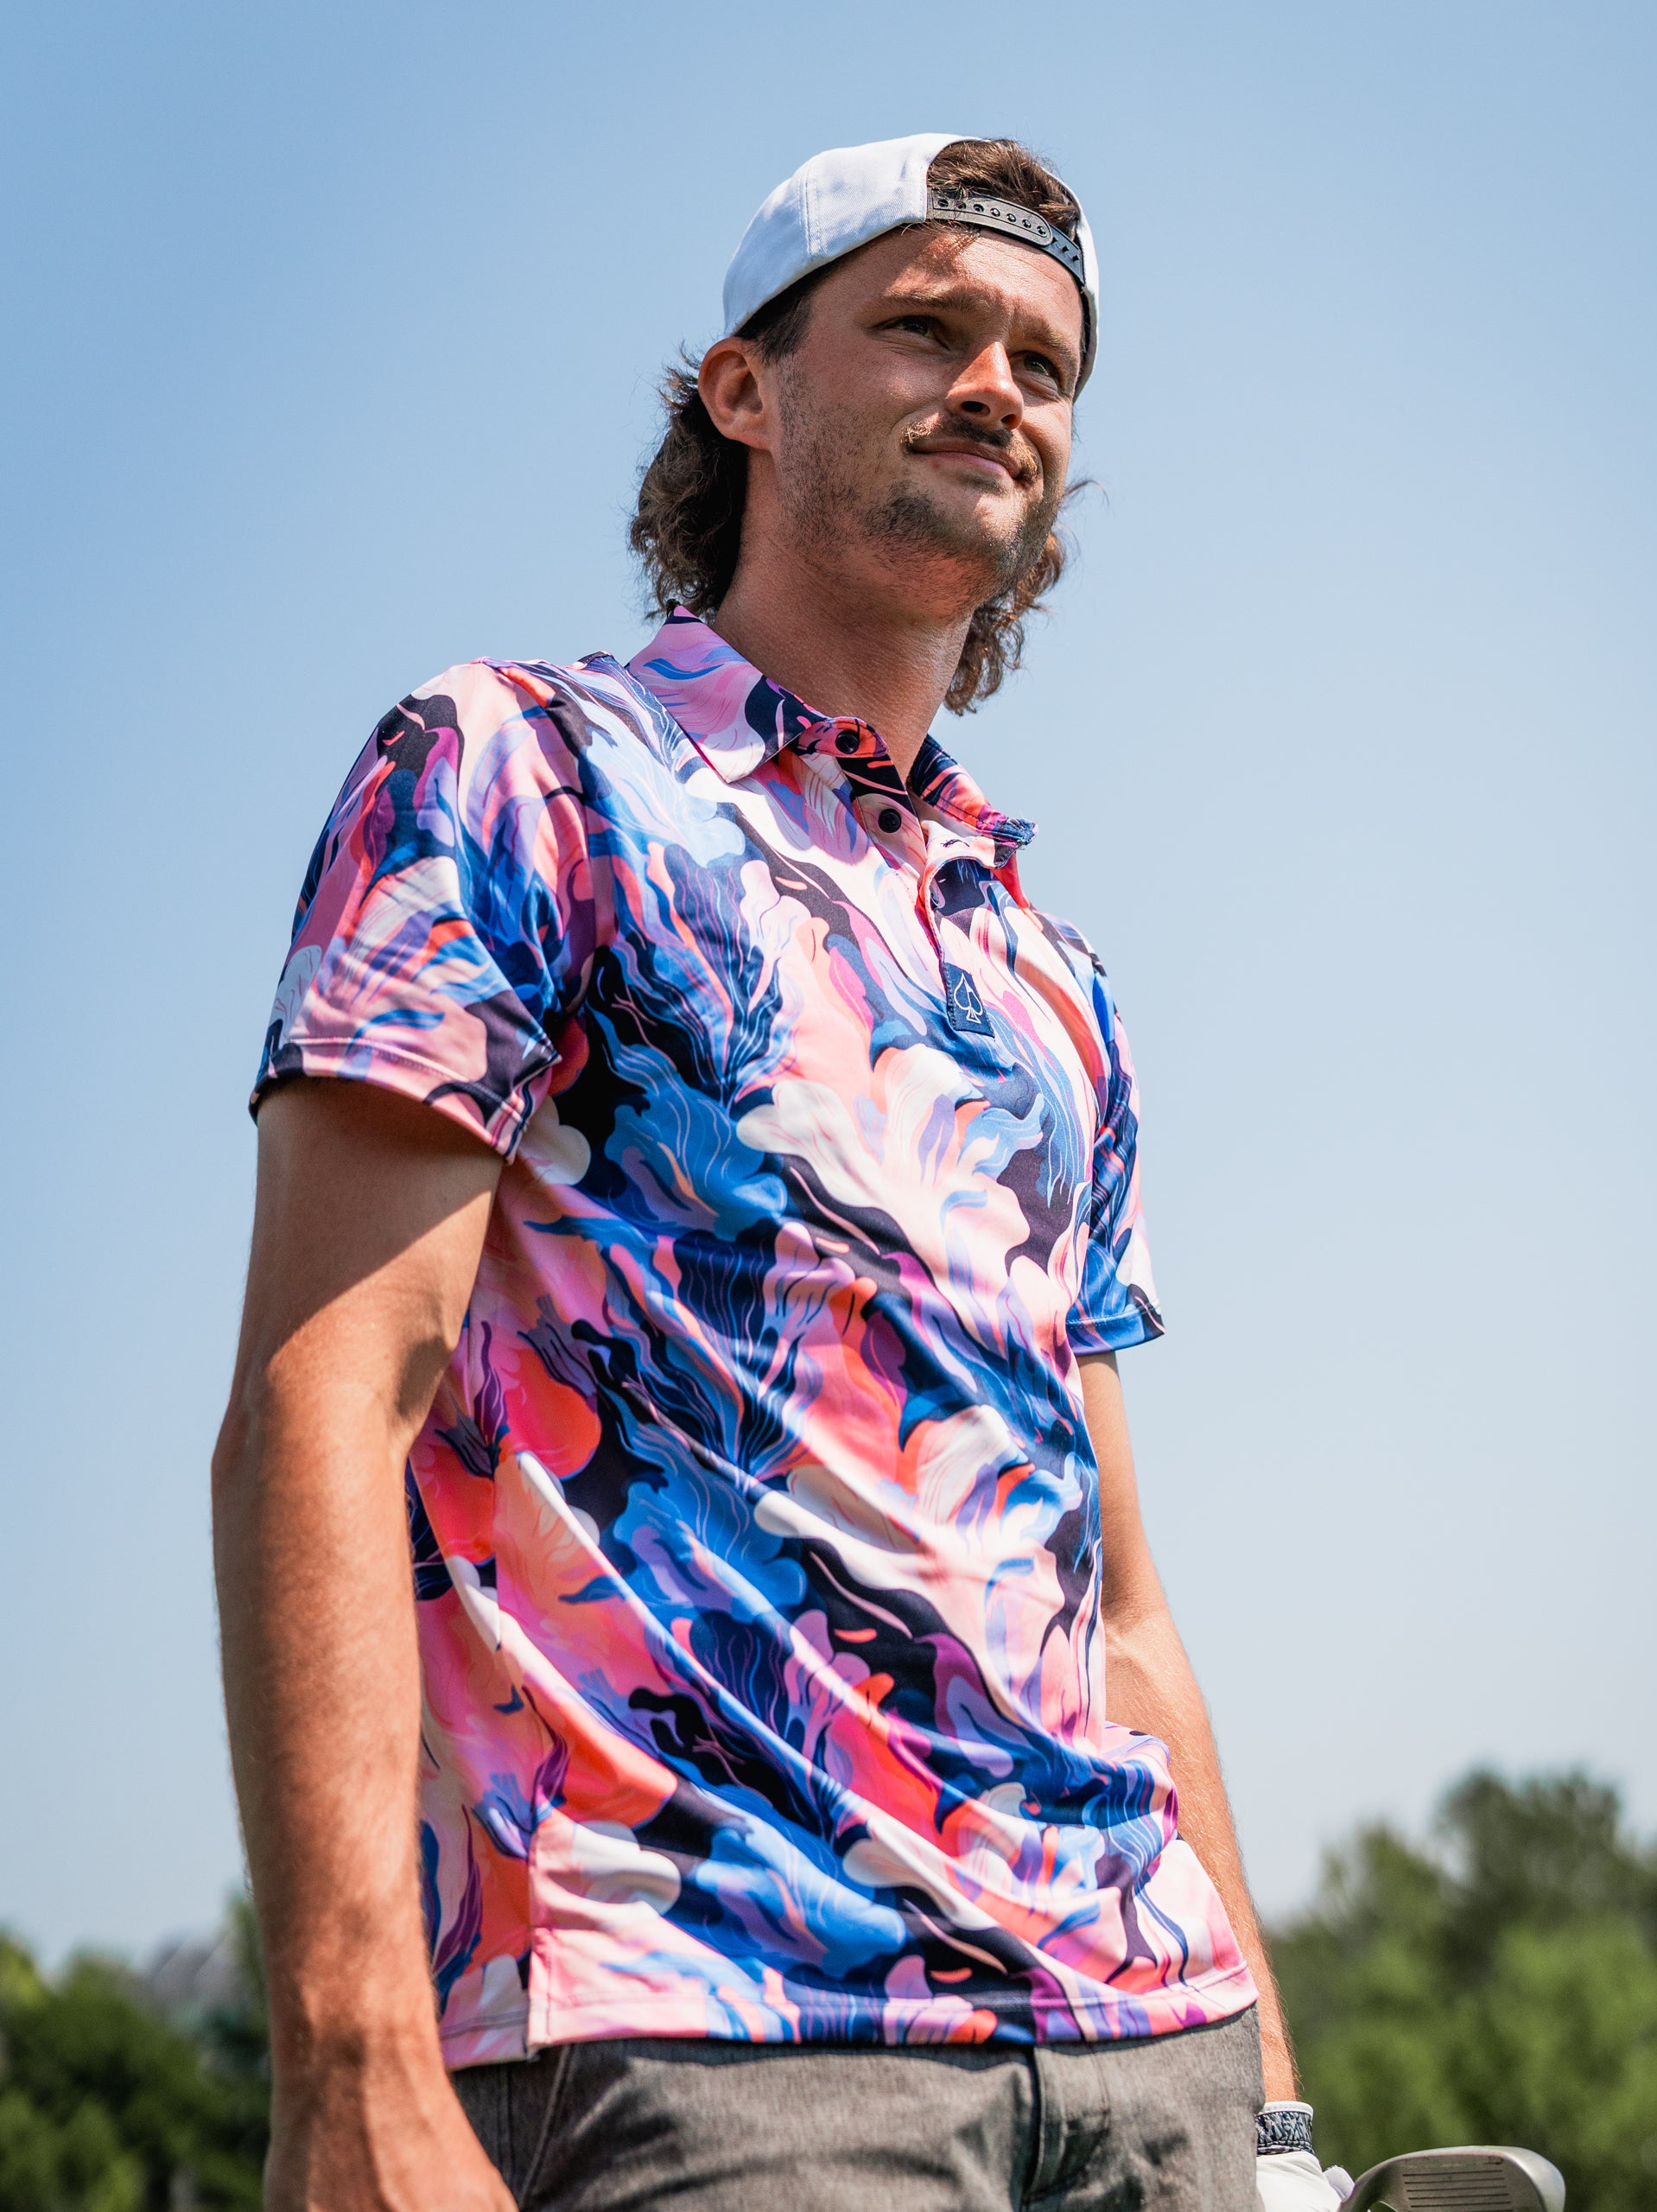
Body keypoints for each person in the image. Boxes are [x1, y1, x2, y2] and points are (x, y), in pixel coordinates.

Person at [213, 133, 1348, 2212]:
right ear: (742, 389)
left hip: (1142, 2053)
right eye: (922, 323)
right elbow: (318, 1399)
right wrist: (350, 2054)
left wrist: (1265, 2103)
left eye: (1043, 357)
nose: (996, 380)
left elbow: (1118, 1599)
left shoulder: (1041, 964)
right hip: (711, 2037)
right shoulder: (517, 768)